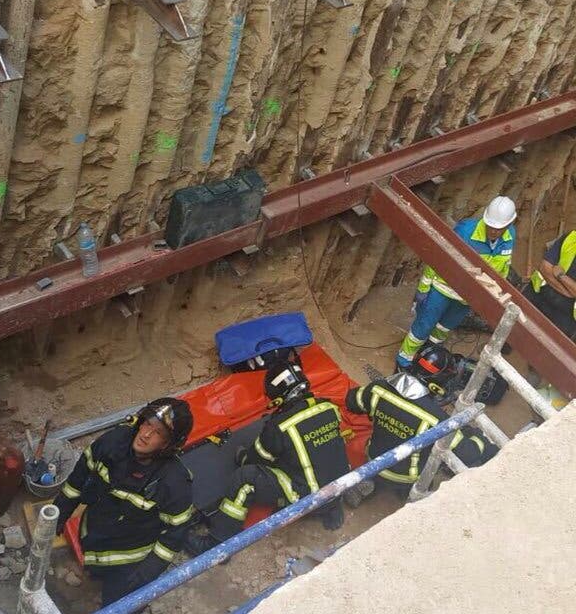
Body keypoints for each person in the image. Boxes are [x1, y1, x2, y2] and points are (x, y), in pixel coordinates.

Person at [189, 359, 350, 552]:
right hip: (340, 487)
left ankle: (216, 544)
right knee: (320, 457)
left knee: (244, 479)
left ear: (279, 396)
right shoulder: (328, 407)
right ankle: (332, 510)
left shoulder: (279, 426)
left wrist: (242, 457)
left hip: (310, 498)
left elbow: (255, 460)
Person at [52, 398, 195, 606]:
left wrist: (146, 572)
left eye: (157, 433)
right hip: (94, 533)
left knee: (118, 604)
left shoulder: (174, 482)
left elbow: (175, 534)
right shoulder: (113, 442)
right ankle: (98, 570)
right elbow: (79, 477)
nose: (145, 435)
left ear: (168, 445)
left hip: (128, 559)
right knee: (96, 569)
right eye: (147, 424)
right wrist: (60, 509)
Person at [346, 348, 497, 495]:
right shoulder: (437, 419)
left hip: (373, 462)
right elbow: (469, 454)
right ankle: (408, 494)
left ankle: (371, 484)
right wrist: (476, 434)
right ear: (436, 385)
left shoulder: (378, 390)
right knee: (442, 455)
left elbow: (352, 401)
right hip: (407, 479)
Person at [396, 196, 517, 371]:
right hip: (443, 288)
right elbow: (438, 257)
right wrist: (423, 288)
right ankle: (403, 361)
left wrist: (490, 295)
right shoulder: (466, 231)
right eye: (491, 227)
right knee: (423, 325)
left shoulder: (510, 236)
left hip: (468, 297)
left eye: (499, 229)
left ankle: (428, 354)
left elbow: (503, 268)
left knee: (444, 328)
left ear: (508, 224)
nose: (494, 232)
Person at [524, 229, 576, 340]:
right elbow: (545, 267)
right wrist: (570, 291)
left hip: (566, 313)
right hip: (539, 293)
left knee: (550, 348)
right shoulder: (570, 238)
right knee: (514, 321)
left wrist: (561, 276)